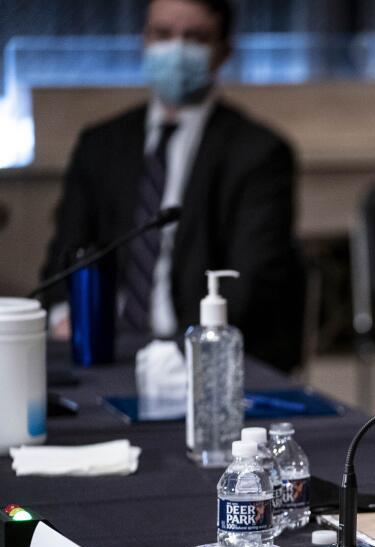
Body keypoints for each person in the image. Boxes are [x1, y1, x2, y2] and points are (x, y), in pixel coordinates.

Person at [41, 0, 303, 372]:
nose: (175, 50)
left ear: (224, 49)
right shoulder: (100, 144)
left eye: (194, 37)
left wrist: (176, 355)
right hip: (103, 352)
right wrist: (65, 316)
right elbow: (63, 261)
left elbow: (251, 284)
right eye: (162, 35)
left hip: (200, 359)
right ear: (143, 40)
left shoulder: (259, 153)